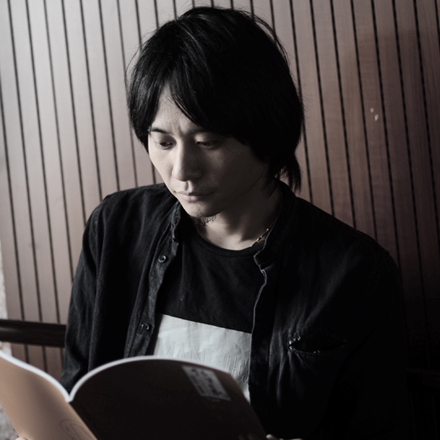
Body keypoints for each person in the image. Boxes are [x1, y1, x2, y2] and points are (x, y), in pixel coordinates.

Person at [19, 6, 408, 440]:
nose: (181, 170)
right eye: (162, 142)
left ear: (267, 135)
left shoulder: (354, 274)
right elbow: (75, 392)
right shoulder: (116, 228)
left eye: (207, 142)